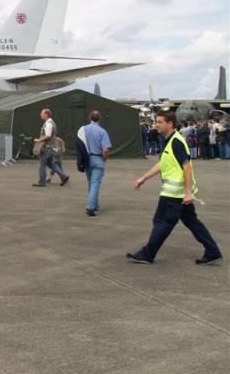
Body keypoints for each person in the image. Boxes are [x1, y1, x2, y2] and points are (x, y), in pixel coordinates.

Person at [126, 110, 222, 265]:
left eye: (160, 122)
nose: (156, 125)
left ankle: (148, 253)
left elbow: (187, 166)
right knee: (192, 222)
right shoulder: (169, 140)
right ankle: (213, 251)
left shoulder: (176, 142)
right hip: (179, 194)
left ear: (170, 124)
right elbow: (162, 164)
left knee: (162, 222)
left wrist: (188, 192)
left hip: (174, 195)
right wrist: (144, 178)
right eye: (156, 122)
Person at [81, 110, 111, 216]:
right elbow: (105, 150)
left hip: (86, 159)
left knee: (91, 183)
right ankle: (90, 207)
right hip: (98, 158)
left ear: (90, 117)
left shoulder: (83, 129)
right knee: (95, 183)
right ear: (100, 119)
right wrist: (104, 159)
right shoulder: (102, 131)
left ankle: (94, 204)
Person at [32, 108, 69, 187]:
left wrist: (38, 140)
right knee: (52, 164)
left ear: (46, 114)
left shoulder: (48, 124)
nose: (40, 115)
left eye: (42, 113)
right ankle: (63, 176)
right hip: (50, 147)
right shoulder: (50, 123)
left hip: (47, 148)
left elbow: (48, 136)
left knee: (42, 165)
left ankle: (42, 182)